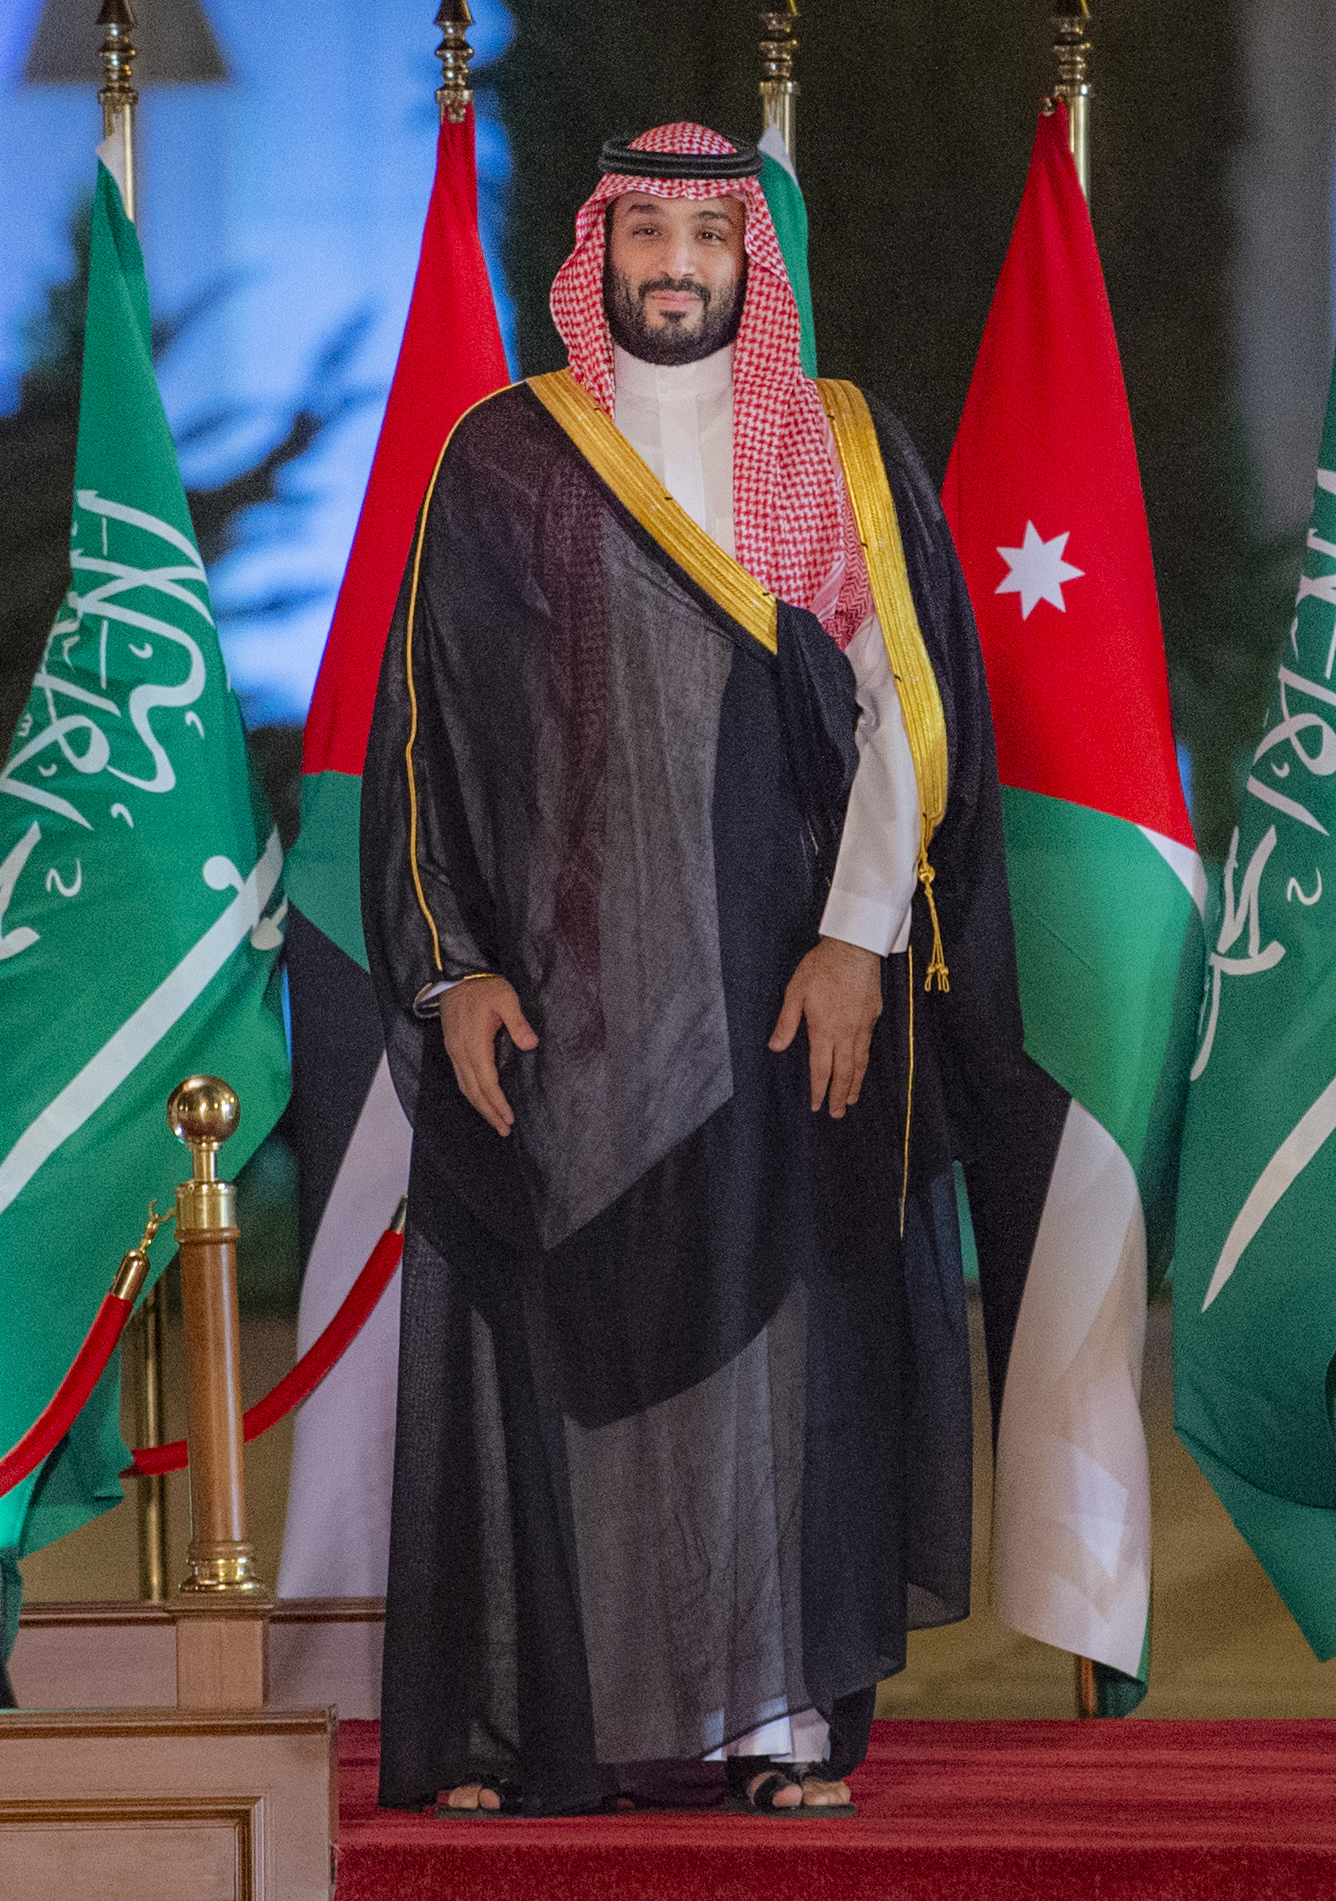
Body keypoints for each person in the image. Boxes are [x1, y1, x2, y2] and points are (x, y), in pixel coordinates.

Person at [360, 123, 1025, 1816]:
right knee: (573, 1336)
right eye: (644, 230)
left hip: (781, 982)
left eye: (707, 237)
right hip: (572, 998)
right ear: (602, 251)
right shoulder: (506, 454)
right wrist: (457, 975)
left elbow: (907, 721)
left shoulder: (843, 443)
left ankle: (774, 1725)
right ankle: (548, 1726)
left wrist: (858, 944)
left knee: (778, 1338)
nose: (675, 263)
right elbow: (428, 730)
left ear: (752, 262)